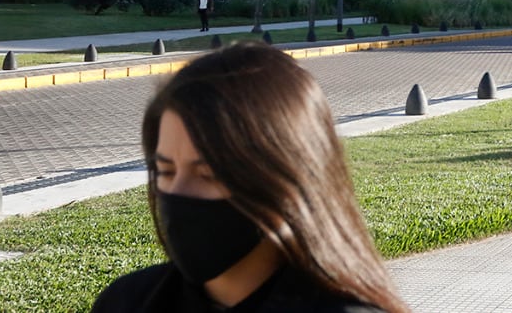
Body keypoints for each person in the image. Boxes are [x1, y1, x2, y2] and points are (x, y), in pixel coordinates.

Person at [90, 42, 410, 313]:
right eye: (166, 171)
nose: (177, 194)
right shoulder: (127, 301)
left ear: (283, 177)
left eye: (208, 175)